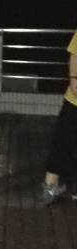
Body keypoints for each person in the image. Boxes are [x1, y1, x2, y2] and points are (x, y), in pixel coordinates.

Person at [41, 27, 77, 205]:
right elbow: (75, 54)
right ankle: (50, 186)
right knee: (62, 141)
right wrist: (74, 78)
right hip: (74, 101)